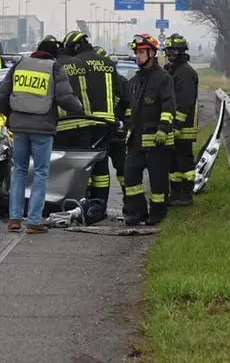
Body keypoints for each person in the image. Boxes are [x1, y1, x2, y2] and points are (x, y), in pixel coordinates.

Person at [0, 36, 84, 234]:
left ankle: (15, 218)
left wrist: (10, 115)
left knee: (18, 170)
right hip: (42, 128)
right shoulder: (54, 68)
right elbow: (64, 97)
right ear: (54, 54)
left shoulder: (20, 64)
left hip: (19, 128)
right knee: (41, 173)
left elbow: (2, 94)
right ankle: (34, 220)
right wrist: (79, 108)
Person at [63, 30, 122, 202]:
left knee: (86, 165)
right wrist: (110, 110)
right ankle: (101, 204)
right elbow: (118, 91)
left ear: (75, 45)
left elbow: (79, 92)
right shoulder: (107, 63)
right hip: (107, 121)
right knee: (102, 166)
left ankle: (86, 202)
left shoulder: (78, 63)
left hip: (87, 121)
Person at [124, 33, 176, 226]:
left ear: (152, 53)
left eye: (141, 52)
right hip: (136, 140)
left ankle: (158, 212)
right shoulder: (136, 80)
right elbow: (130, 107)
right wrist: (127, 122)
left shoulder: (163, 79)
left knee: (158, 182)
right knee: (130, 177)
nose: (137, 56)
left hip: (157, 141)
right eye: (136, 52)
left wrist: (163, 129)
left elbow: (169, 106)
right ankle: (137, 212)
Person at [164, 33, 199, 207]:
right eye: (168, 50)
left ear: (181, 52)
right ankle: (175, 193)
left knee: (184, 161)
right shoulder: (172, 70)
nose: (169, 54)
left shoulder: (185, 73)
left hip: (183, 128)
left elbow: (184, 103)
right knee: (173, 163)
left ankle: (186, 194)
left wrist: (176, 125)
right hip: (173, 126)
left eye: (173, 51)